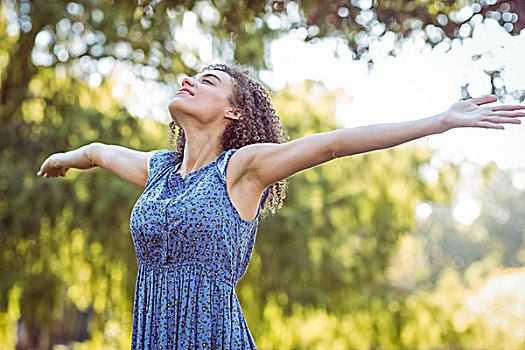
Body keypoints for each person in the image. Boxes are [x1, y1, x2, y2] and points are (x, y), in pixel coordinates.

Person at [36, 63, 525, 349]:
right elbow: (98, 153)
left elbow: (334, 143)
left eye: (206, 80)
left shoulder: (242, 169)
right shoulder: (159, 170)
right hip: (152, 336)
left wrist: (439, 121)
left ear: (234, 110)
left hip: (212, 337)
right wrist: (63, 159)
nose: (187, 79)